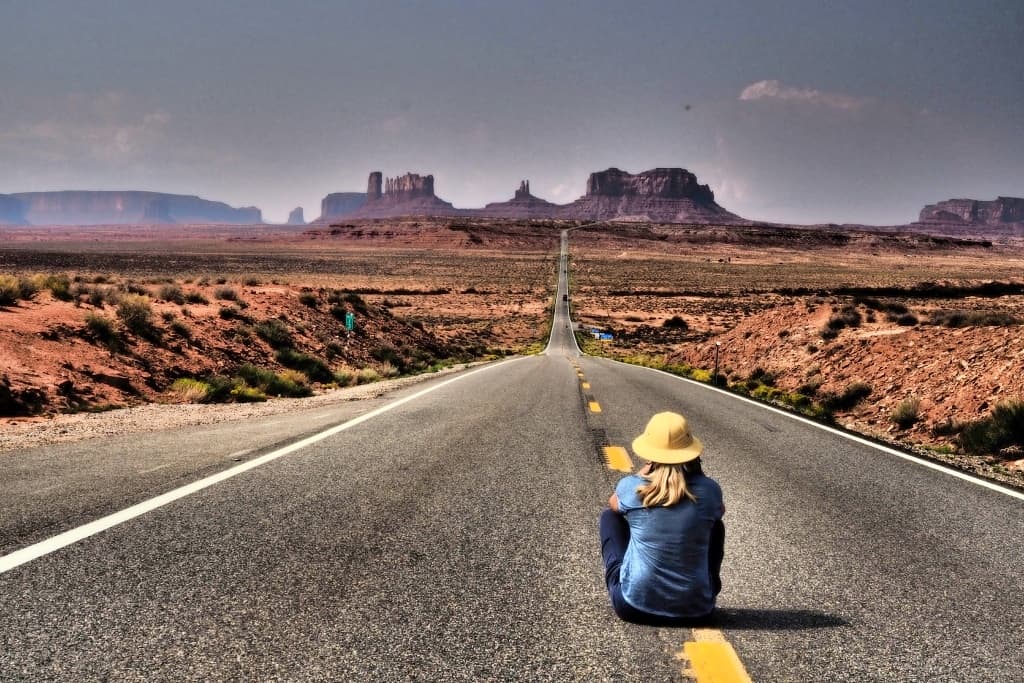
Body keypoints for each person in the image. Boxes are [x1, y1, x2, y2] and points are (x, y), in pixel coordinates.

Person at [599, 411, 725, 624]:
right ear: (691, 453)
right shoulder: (710, 491)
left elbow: (614, 504)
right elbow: (719, 511)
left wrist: (644, 473)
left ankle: (631, 580)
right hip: (698, 611)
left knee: (610, 518)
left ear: (650, 454)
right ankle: (708, 584)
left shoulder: (632, 487)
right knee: (716, 526)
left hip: (633, 607)